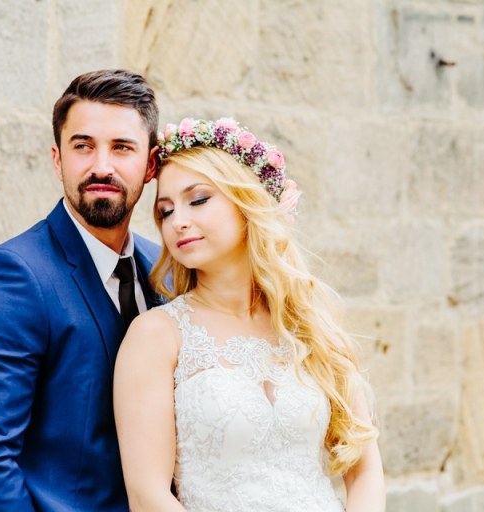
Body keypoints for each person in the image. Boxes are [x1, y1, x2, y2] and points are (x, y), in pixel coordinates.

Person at [114, 118, 386, 511]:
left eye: (199, 199)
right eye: (165, 211)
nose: (178, 221)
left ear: (247, 203)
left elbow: (364, 470)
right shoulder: (157, 335)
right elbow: (147, 495)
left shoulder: (309, 324)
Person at [0, 70, 163, 511]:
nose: (101, 166)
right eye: (82, 146)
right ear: (57, 159)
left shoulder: (167, 271)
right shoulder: (13, 275)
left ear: (151, 163)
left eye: (122, 147)